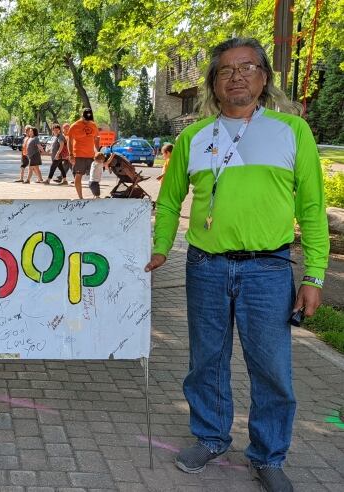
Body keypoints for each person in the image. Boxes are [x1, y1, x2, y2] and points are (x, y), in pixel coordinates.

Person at [144, 37, 329, 492]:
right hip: (204, 266)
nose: (237, 76)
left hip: (268, 271)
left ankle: (268, 456)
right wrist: (162, 248)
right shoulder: (193, 137)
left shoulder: (291, 131)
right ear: (214, 83)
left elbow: (312, 208)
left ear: (264, 78)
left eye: (247, 67)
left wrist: (314, 275)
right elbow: (168, 203)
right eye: (226, 70)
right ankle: (210, 437)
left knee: (272, 370)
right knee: (205, 361)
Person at [67, 108, 100, 199]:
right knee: (78, 176)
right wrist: (71, 155)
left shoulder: (93, 125)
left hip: (91, 155)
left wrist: (98, 151)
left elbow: (96, 138)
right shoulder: (74, 126)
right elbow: (69, 141)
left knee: (95, 176)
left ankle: (96, 196)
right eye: (85, 119)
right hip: (79, 155)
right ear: (82, 115)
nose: (87, 121)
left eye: (88, 119)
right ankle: (80, 198)